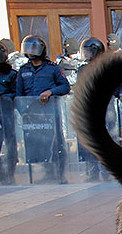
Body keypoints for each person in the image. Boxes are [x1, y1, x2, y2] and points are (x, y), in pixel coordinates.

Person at [16, 35, 71, 183]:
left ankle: (60, 174)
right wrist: (24, 112)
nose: (30, 52)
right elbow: (18, 95)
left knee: (55, 143)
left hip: (50, 113)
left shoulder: (52, 69)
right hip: (32, 115)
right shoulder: (23, 71)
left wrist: (51, 92)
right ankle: (47, 173)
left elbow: (65, 86)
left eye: (33, 49)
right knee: (39, 145)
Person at [76, 37, 107, 181]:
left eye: (89, 52)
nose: (87, 54)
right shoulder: (82, 69)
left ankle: (106, 173)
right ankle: (93, 173)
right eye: (85, 52)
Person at [0, 40, 18, 184]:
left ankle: (10, 172)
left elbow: (16, 92)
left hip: (6, 112)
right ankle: (0, 173)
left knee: (11, 143)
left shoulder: (11, 74)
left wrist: (6, 98)